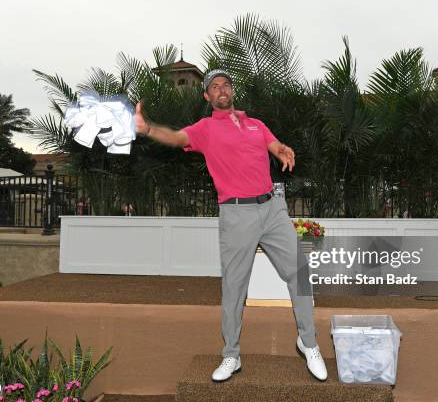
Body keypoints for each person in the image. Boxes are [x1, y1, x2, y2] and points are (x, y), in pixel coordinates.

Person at [134, 70, 328, 382]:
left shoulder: (256, 124)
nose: (221, 89)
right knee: (235, 287)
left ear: (232, 90)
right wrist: (147, 129)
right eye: (214, 87)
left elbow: (273, 143)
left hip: (273, 209)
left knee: (300, 272)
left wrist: (281, 149)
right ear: (207, 97)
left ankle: (308, 342)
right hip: (237, 214)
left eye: (225, 84)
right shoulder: (206, 128)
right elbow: (176, 137)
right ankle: (231, 355)